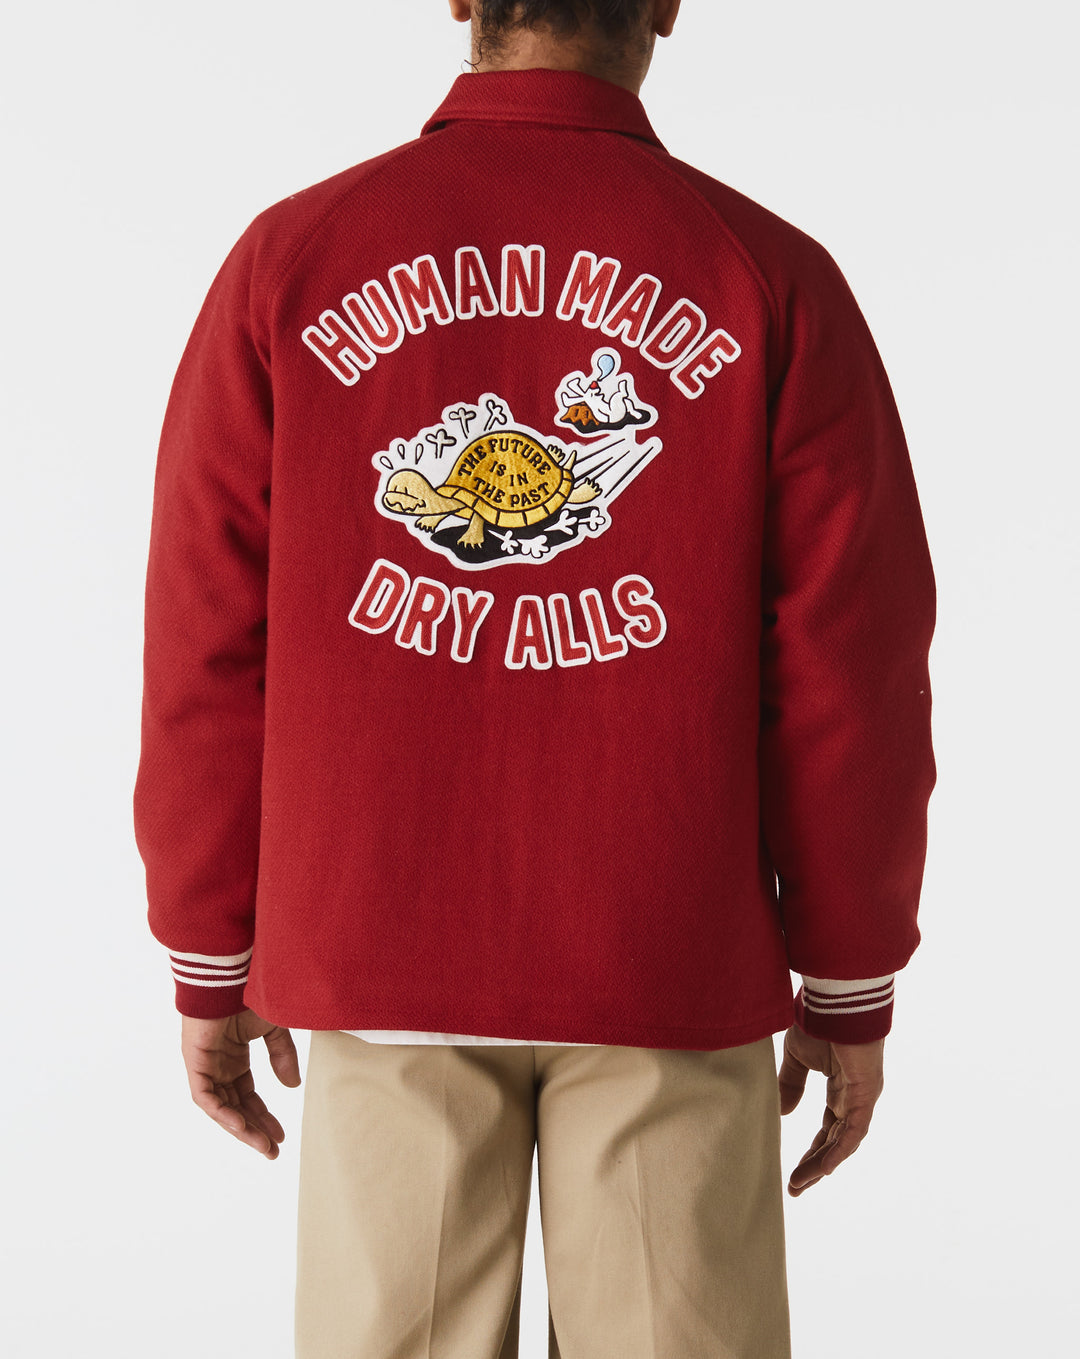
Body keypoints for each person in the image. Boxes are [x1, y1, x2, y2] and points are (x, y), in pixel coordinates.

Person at [133, 1, 936, 1354]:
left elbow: (208, 640)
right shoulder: (768, 273)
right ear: (666, 4)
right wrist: (849, 973)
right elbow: (851, 671)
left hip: (379, 946)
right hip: (666, 955)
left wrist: (209, 952)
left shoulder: (298, 257)